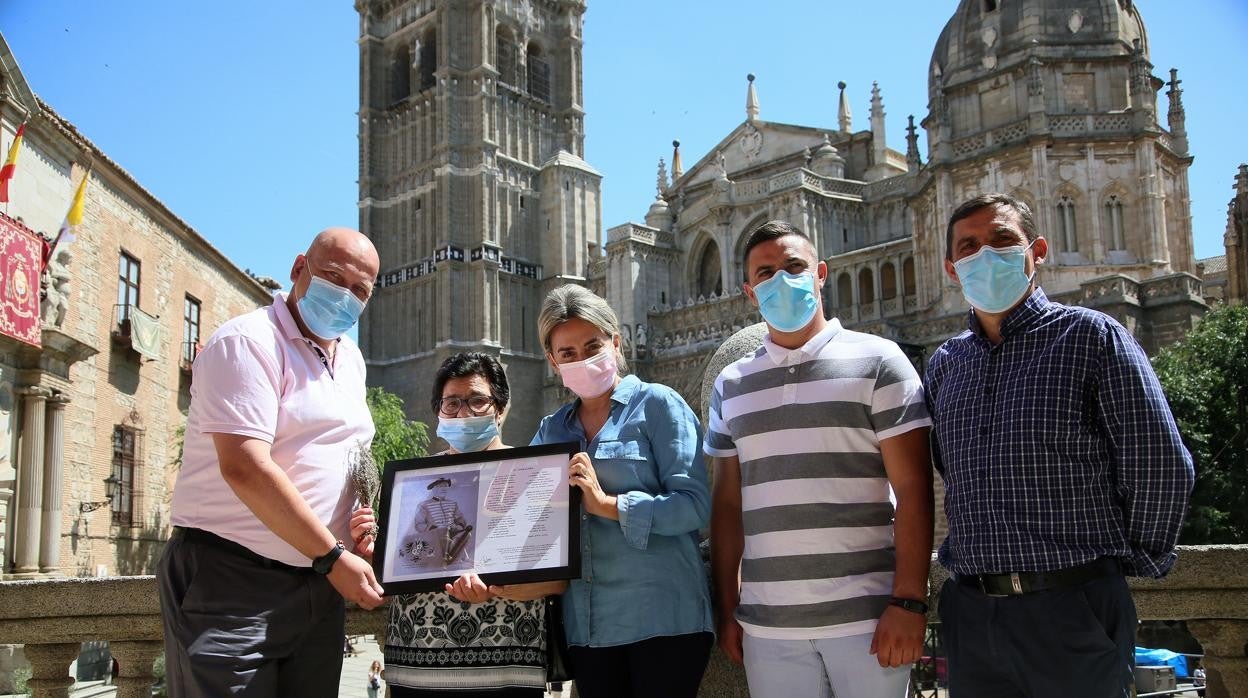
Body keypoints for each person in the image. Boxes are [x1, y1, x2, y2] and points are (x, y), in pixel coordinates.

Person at [927, 193, 1194, 697]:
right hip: (972, 613)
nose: (985, 254)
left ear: (1038, 250)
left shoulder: (1092, 336)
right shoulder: (945, 365)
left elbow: (1159, 464)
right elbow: (950, 471)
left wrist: (1117, 568)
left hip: (1074, 606)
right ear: (951, 267)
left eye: (1002, 239)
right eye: (969, 246)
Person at [705, 220, 934, 698]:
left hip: (868, 621)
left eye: (793, 266)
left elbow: (914, 489)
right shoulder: (730, 384)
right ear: (749, 292)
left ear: (821, 273)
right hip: (767, 629)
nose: (780, 280)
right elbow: (727, 507)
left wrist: (909, 602)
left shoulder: (881, 360)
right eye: (765, 273)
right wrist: (728, 610)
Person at [157, 228, 385, 697]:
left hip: (318, 587)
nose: (345, 296)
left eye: (360, 290)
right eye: (333, 277)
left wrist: (359, 516)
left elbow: (348, 449)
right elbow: (244, 465)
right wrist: (332, 553)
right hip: (233, 581)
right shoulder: (247, 341)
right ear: (299, 269)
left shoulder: (351, 360)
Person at [528, 285, 714, 698]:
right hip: (588, 627)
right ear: (553, 362)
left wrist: (609, 505)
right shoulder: (550, 430)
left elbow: (696, 507)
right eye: (568, 353)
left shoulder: (658, 405)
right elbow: (532, 519)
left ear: (616, 341)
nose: (582, 359)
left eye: (592, 345)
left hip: (664, 620)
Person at [352, 352, 566, 697]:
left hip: (505, 667)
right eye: (451, 403)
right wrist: (373, 550)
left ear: (501, 407)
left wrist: (495, 586)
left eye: (477, 400)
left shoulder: (535, 474)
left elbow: (557, 580)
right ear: (438, 410)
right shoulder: (411, 485)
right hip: (419, 664)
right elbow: (399, 564)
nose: (463, 412)